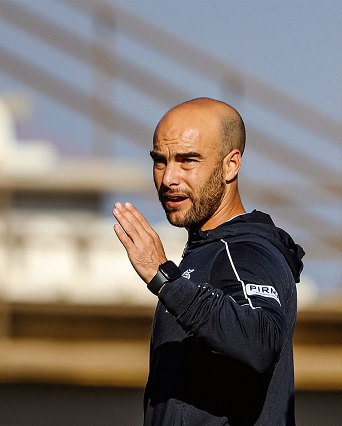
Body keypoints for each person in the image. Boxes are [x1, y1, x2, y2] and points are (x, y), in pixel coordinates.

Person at [113, 97, 304, 425]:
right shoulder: (206, 252)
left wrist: (165, 280)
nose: (169, 178)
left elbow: (261, 342)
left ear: (231, 165)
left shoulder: (245, 252)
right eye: (160, 161)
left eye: (188, 161)